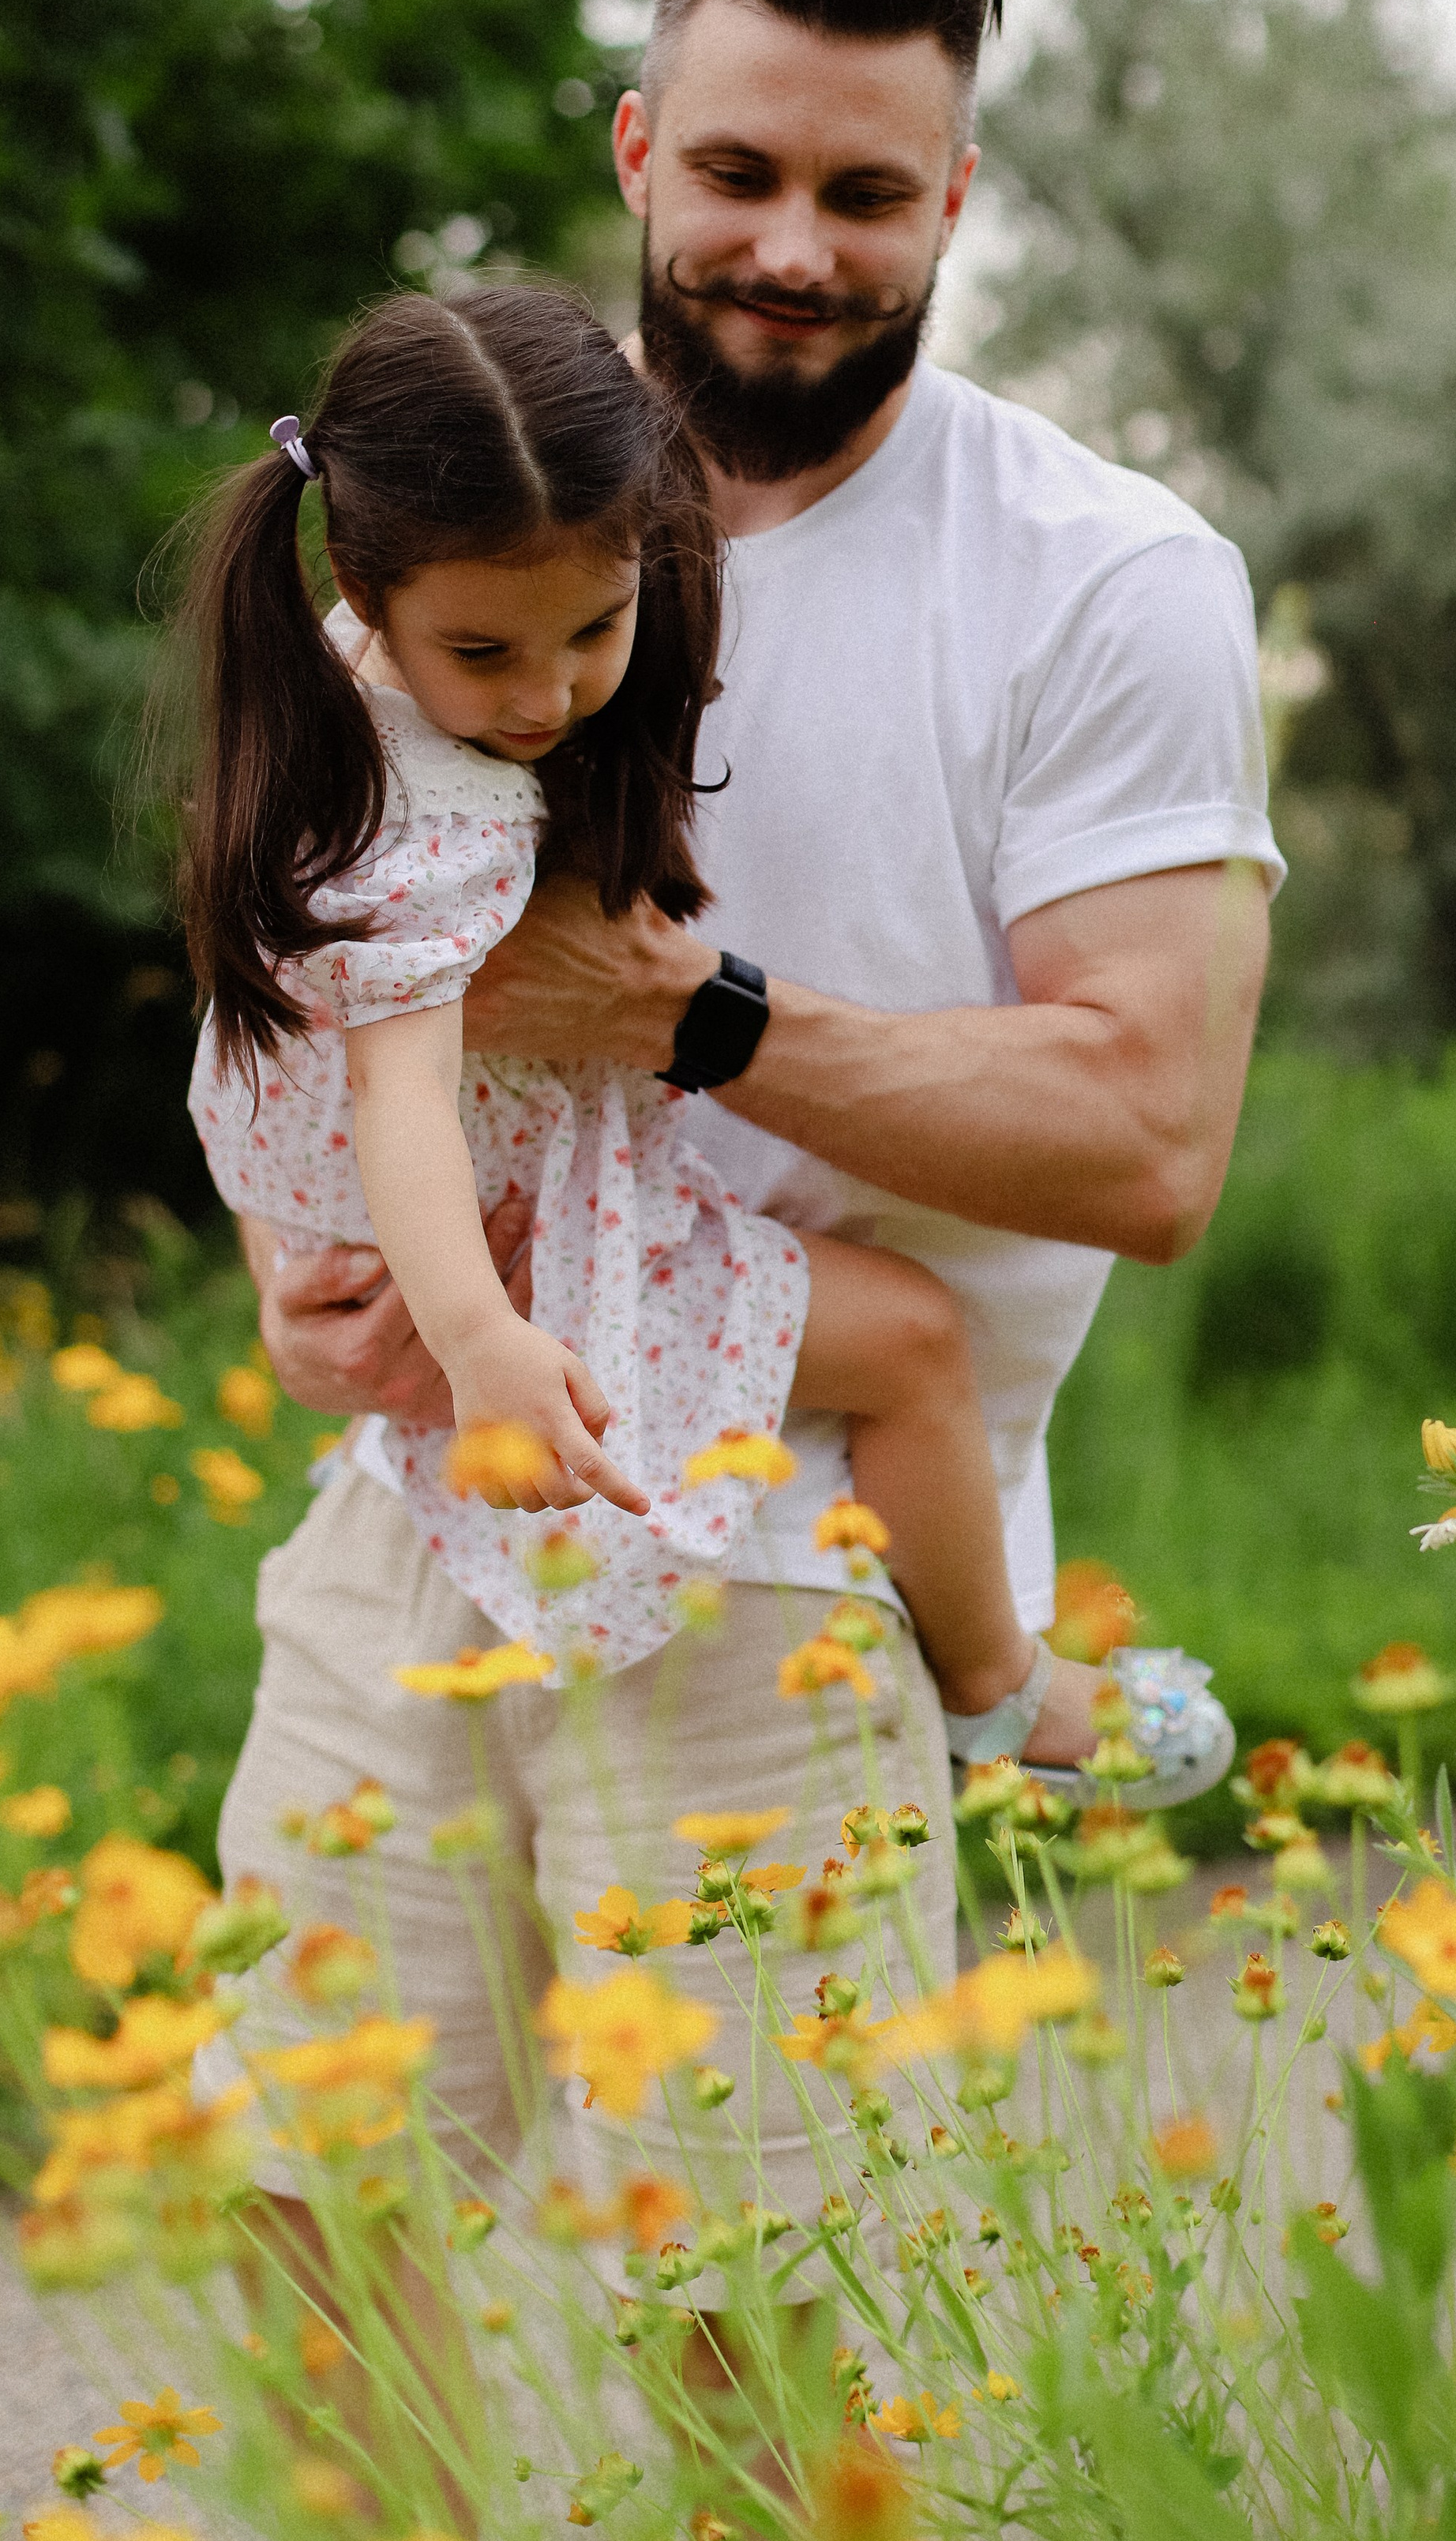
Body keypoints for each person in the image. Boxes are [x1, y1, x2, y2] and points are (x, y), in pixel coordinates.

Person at [211, 0, 1278, 2247]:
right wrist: (310, 1261)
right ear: (632, 153)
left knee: (748, 2318)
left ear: (958, 199)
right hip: (424, 1511)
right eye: (740, 173)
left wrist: (687, 1019)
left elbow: (1149, 1140)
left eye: (867, 193)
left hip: (796, 1553)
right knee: (296, 2240)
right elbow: (334, 961)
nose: (796, 243)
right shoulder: (477, 523)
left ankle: (1017, 1698)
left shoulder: (1103, 579)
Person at [178, 276, 1147, 1752]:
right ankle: (1004, 1690)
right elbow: (397, 1095)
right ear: (370, 592)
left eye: (593, 628)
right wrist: (484, 1336)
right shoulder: (408, 820)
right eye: (488, 655)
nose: (548, 694)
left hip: (465, 1195)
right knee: (911, 1342)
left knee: (900, 1341)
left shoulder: (340, 674)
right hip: (511, 1220)